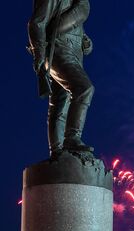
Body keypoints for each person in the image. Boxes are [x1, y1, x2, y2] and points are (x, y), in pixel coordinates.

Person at [28, 0, 95, 158]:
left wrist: (87, 43)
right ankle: (72, 137)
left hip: (73, 54)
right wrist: (39, 53)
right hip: (57, 50)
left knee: (59, 103)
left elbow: (76, 28)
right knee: (84, 88)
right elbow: (36, 23)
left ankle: (57, 153)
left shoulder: (76, 3)